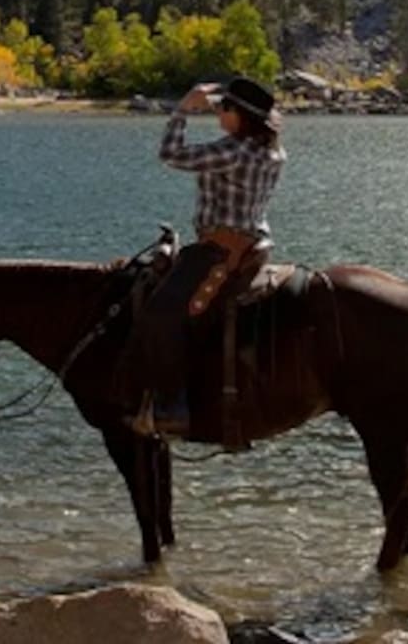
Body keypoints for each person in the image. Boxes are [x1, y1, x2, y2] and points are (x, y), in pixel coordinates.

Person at [121, 76, 286, 438]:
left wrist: (182, 110)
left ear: (240, 116)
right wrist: (213, 104)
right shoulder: (268, 149)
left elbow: (170, 154)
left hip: (218, 248)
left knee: (161, 312)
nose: (218, 114)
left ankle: (172, 406)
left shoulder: (233, 151)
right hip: (252, 243)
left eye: (224, 108)